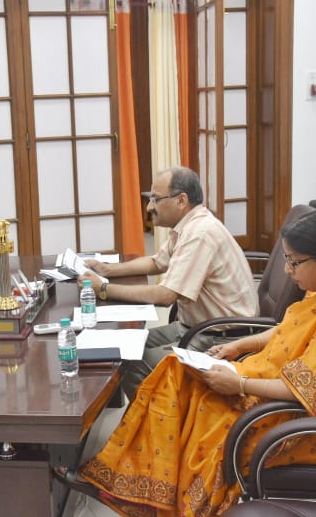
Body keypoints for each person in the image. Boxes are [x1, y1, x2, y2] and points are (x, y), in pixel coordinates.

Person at [55, 209, 316, 517]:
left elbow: (314, 393)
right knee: (175, 372)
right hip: (267, 386)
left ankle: (161, 499)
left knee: (196, 403)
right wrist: (241, 345)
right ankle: (140, 486)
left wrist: (239, 384)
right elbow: (288, 329)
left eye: (294, 262)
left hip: (297, 424)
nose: (287, 271)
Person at [79, 166, 258, 398]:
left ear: (181, 200)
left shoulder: (200, 234)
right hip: (194, 326)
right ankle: (151, 416)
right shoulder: (188, 226)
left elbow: (165, 296)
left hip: (220, 336)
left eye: (155, 199)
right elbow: (157, 262)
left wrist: (103, 288)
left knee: (133, 363)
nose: (149, 207)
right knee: (128, 345)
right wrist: (107, 269)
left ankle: (155, 421)